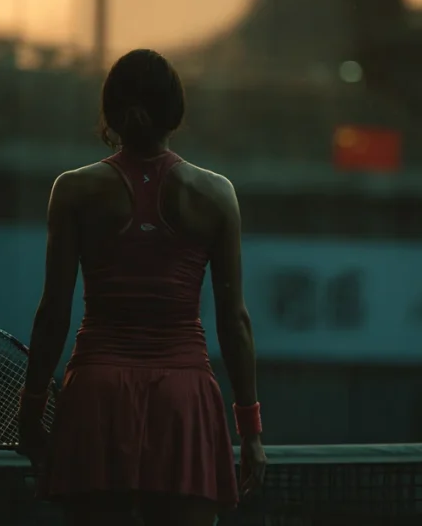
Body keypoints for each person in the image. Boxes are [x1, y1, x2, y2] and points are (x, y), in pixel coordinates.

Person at [16, 49, 266, 526]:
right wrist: (250, 432)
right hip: (183, 397)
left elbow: (53, 312)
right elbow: (235, 321)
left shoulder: (72, 191)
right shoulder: (215, 194)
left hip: (95, 393)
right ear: (176, 111)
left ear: (111, 111)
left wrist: (31, 411)